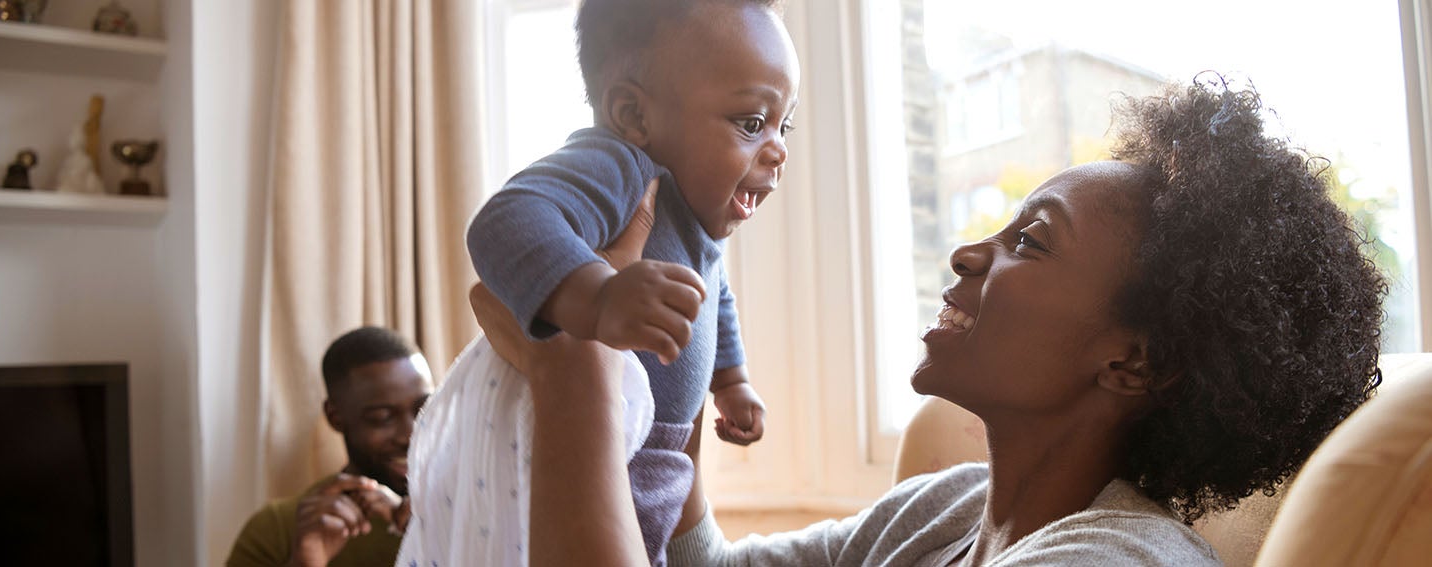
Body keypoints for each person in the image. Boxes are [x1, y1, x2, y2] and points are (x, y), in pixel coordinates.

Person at [475, 76, 1389, 566]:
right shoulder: (943, 514)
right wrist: (668, 371)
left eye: (1030, 241)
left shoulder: (1123, 561)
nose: (966, 252)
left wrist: (578, 380)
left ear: (1133, 361)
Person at [432, 0, 800, 564]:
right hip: (576, 452)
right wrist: (596, 295)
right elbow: (505, 220)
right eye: (752, 123)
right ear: (634, 115)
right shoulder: (622, 169)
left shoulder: (697, 224)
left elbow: (713, 296)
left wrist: (732, 379)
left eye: (783, 124)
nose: (777, 150)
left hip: (655, 461)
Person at [226, 327, 433, 567]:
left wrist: (433, 533)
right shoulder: (279, 529)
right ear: (335, 417)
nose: (410, 435)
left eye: (425, 409)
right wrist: (305, 561)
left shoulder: (469, 507)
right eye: (382, 417)